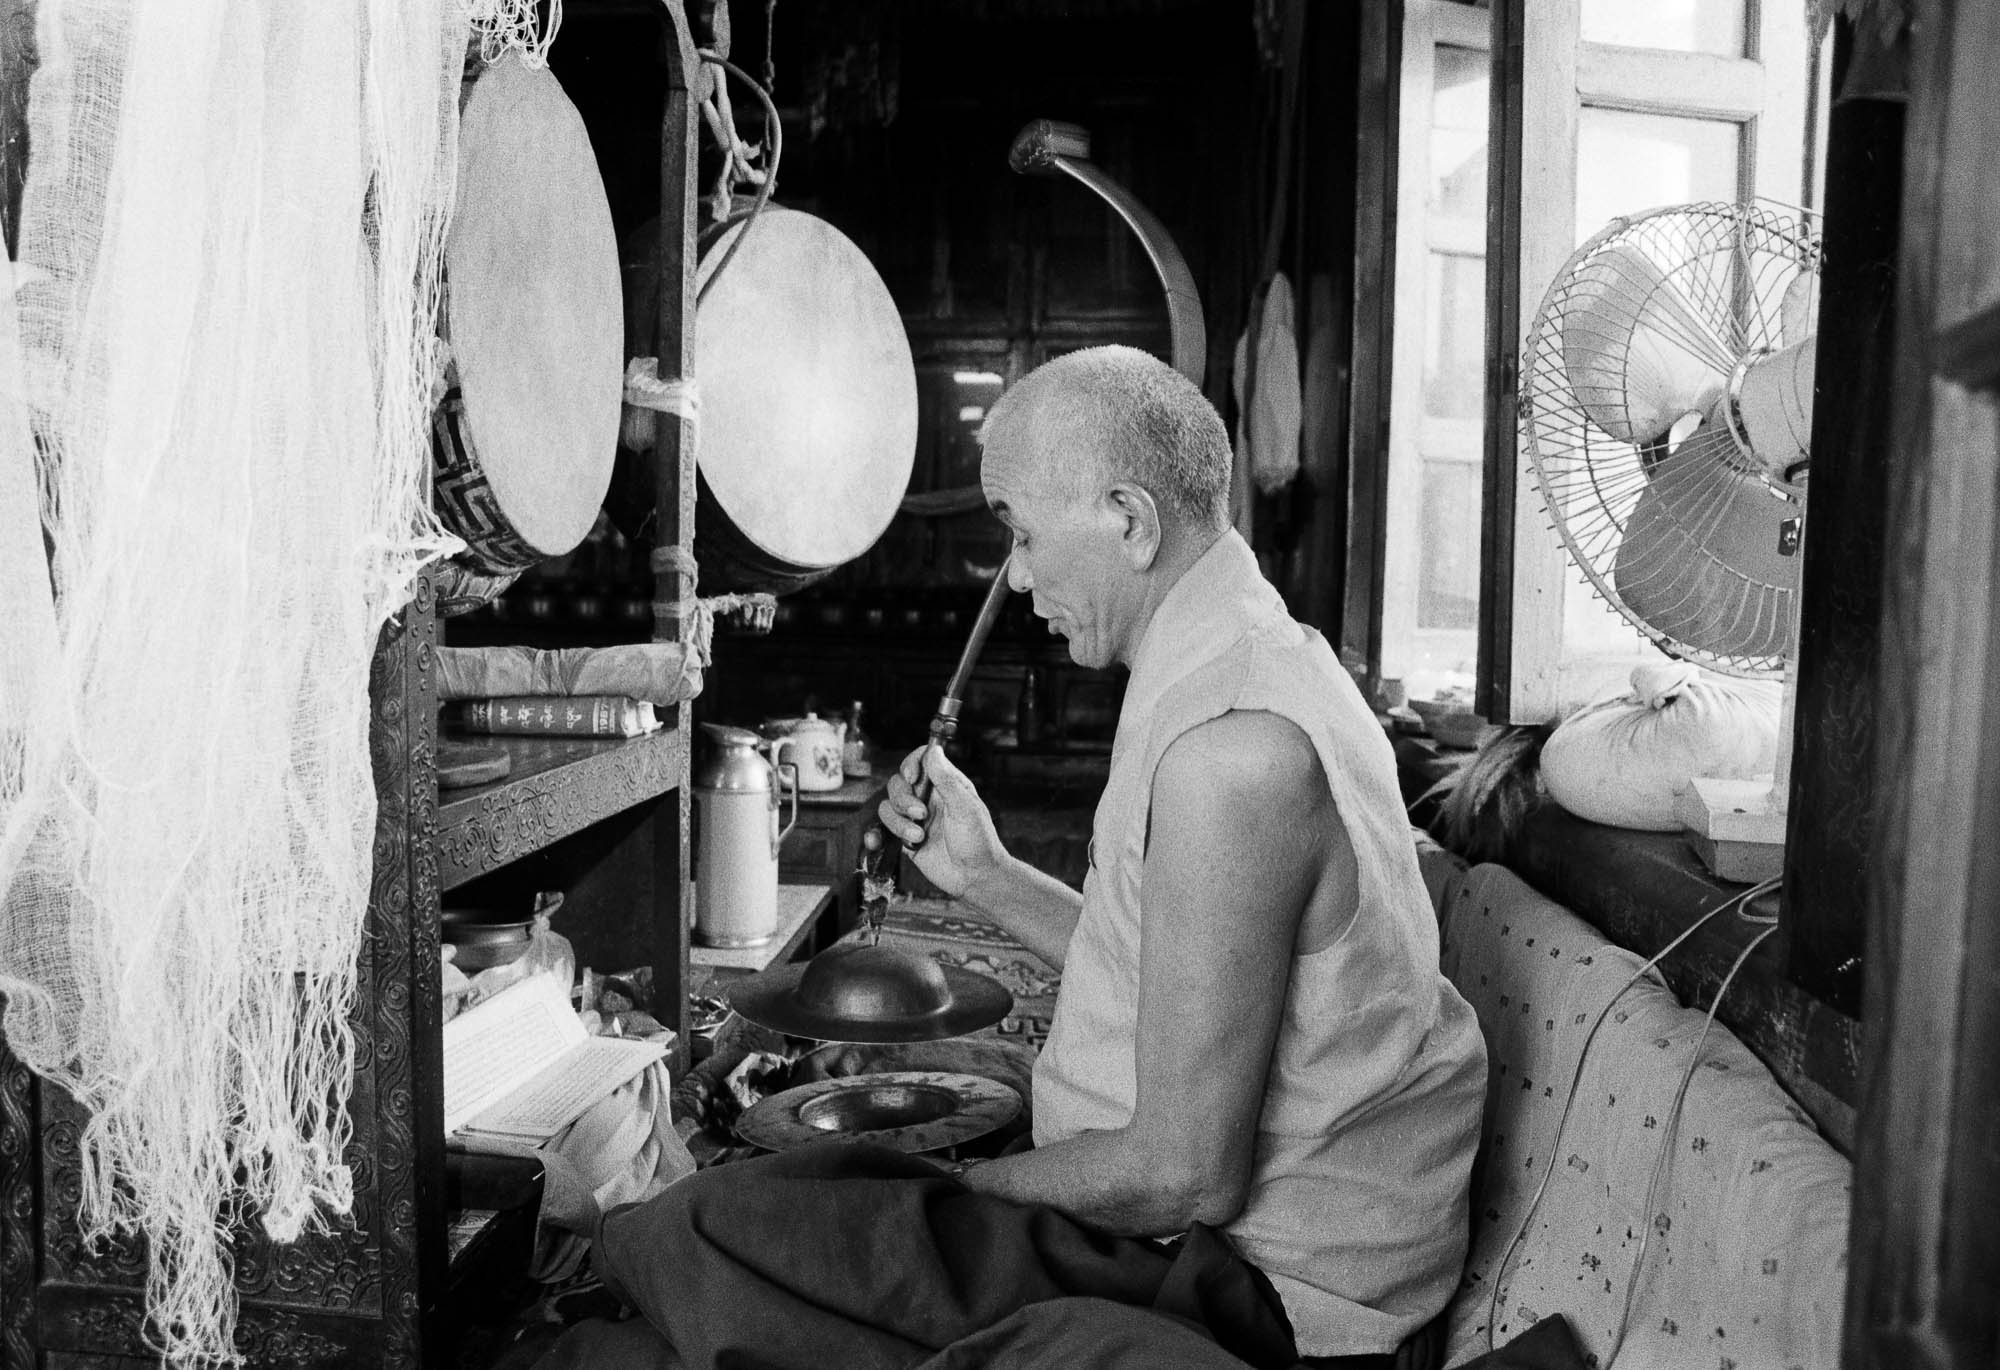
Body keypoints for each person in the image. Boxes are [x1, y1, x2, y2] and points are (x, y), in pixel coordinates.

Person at [548, 346, 1486, 1370]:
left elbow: (1184, 1173)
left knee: (730, 1219)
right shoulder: (1237, 654)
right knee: (780, 1203)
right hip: (1189, 1227)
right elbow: (1170, 972)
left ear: (1127, 520)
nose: (1017, 573)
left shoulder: (1237, 748)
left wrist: (940, 1199)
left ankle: (611, 1261)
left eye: (1022, 534)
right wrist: (986, 871)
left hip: (1261, 1289)